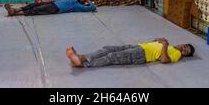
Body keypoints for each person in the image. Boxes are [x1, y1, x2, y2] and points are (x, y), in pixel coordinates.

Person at [65, 38, 194, 68]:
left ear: (184, 55)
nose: (184, 49)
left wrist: (164, 45)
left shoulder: (176, 54)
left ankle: (82, 63)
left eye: (186, 52)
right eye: (186, 46)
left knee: (112, 57)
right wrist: (156, 40)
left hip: (141, 55)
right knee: (108, 49)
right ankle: (81, 58)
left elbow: (164, 60)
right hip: (137, 47)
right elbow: (154, 44)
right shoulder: (170, 44)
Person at [4, 0, 96, 16]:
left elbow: (90, 8)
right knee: (34, 5)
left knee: (37, 10)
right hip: (53, 3)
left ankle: (15, 13)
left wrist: (90, 3)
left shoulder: (78, 6)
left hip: (55, 8)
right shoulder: (73, 0)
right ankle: (15, 10)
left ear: (84, 1)